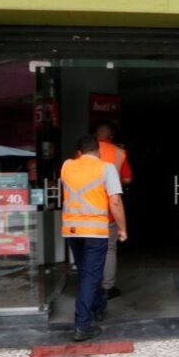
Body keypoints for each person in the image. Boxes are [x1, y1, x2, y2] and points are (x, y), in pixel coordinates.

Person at [61, 135, 128, 341]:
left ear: (79, 152)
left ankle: (98, 306)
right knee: (91, 276)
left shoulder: (67, 165)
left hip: (72, 230)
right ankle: (82, 325)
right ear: (98, 151)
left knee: (87, 273)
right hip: (95, 231)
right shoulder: (106, 168)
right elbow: (115, 201)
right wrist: (122, 228)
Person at [96, 122, 133, 299]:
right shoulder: (120, 153)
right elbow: (127, 179)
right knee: (109, 249)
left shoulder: (83, 153)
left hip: (86, 211)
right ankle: (108, 288)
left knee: (89, 250)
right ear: (111, 137)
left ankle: (90, 286)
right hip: (109, 209)